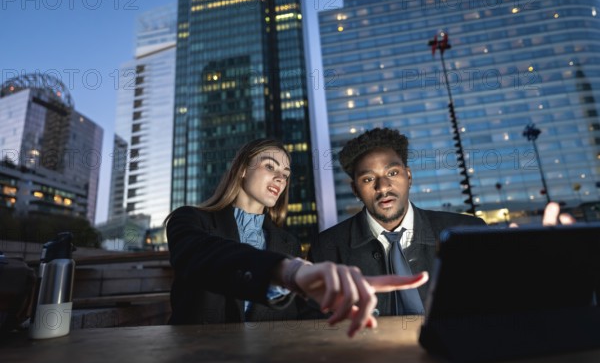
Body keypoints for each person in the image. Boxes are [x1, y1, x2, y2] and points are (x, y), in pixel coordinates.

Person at [165, 138, 428, 337]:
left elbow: (294, 314)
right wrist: (287, 271)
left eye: (286, 174)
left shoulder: (287, 243)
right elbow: (200, 254)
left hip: (269, 360)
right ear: (242, 169)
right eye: (270, 166)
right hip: (197, 353)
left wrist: (337, 305)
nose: (280, 177)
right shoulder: (190, 219)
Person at [309, 128, 486, 316]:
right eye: (368, 179)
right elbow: (312, 326)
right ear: (355, 190)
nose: (383, 187)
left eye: (392, 173)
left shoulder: (467, 232)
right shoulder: (325, 249)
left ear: (408, 176)